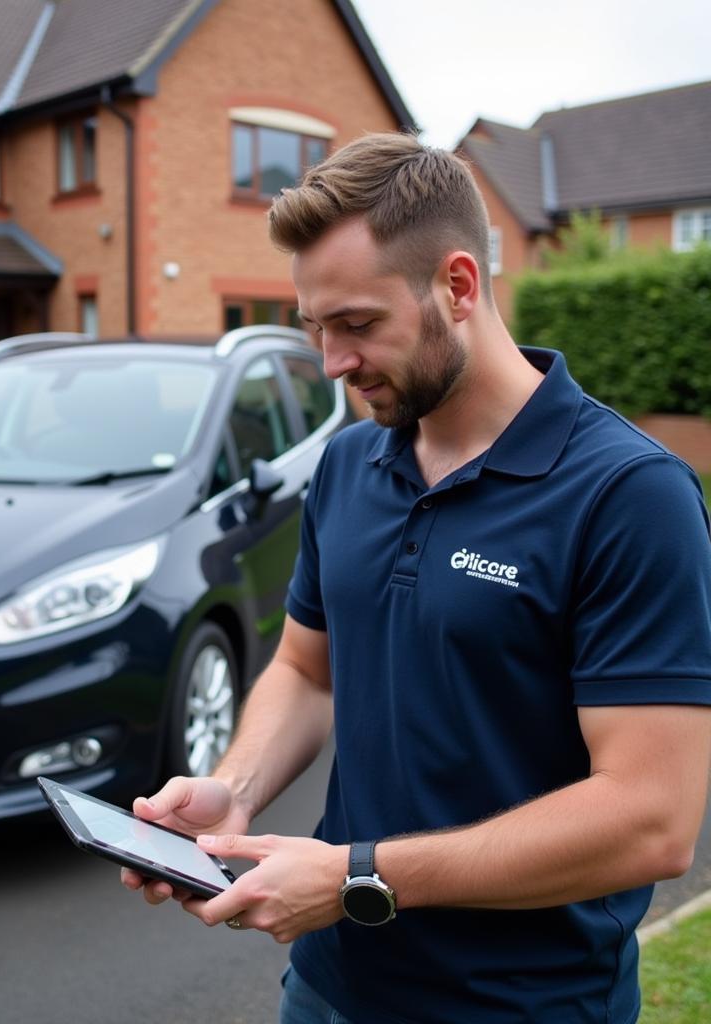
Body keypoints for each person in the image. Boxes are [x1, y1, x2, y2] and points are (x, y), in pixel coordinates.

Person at [121, 132, 711, 1023]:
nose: (333, 364)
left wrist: (361, 876)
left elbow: (652, 819)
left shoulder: (631, 496)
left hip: (522, 1006)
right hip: (327, 988)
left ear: (459, 286)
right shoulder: (348, 465)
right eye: (316, 329)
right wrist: (231, 794)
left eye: (358, 325)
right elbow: (305, 670)